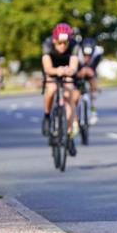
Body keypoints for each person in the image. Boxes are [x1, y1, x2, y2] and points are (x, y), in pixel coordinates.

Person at [41, 22, 79, 157]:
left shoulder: (74, 45)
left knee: (70, 93)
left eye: (65, 43)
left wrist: (69, 70)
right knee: (50, 89)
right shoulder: (47, 45)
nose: (62, 46)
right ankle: (46, 116)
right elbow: (47, 68)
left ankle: (69, 133)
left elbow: (74, 66)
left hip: (66, 69)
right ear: (54, 40)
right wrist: (57, 71)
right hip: (52, 69)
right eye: (59, 43)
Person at [76, 36, 104, 125]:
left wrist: (89, 70)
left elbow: (94, 68)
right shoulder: (77, 52)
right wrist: (81, 72)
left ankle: (93, 110)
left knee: (93, 84)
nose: (87, 58)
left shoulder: (97, 53)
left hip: (91, 69)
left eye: (89, 56)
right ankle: (74, 113)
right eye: (85, 55)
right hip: (78, 69)